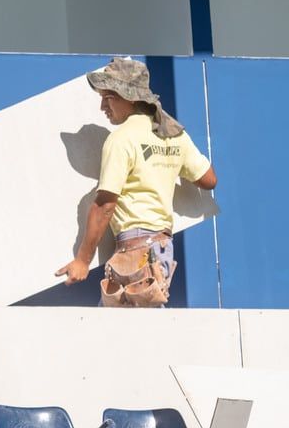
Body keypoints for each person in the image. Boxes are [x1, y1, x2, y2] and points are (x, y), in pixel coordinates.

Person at [55, 58, 217, 307]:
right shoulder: (174, 134)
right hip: (161, 249)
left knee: (123, 335)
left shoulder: (121, 139)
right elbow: (208, 180)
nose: (102, 107)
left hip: (136, 252)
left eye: (108, 98)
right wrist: (164, 168)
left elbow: (105, 205)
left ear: (128, 97)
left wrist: (82, 261)